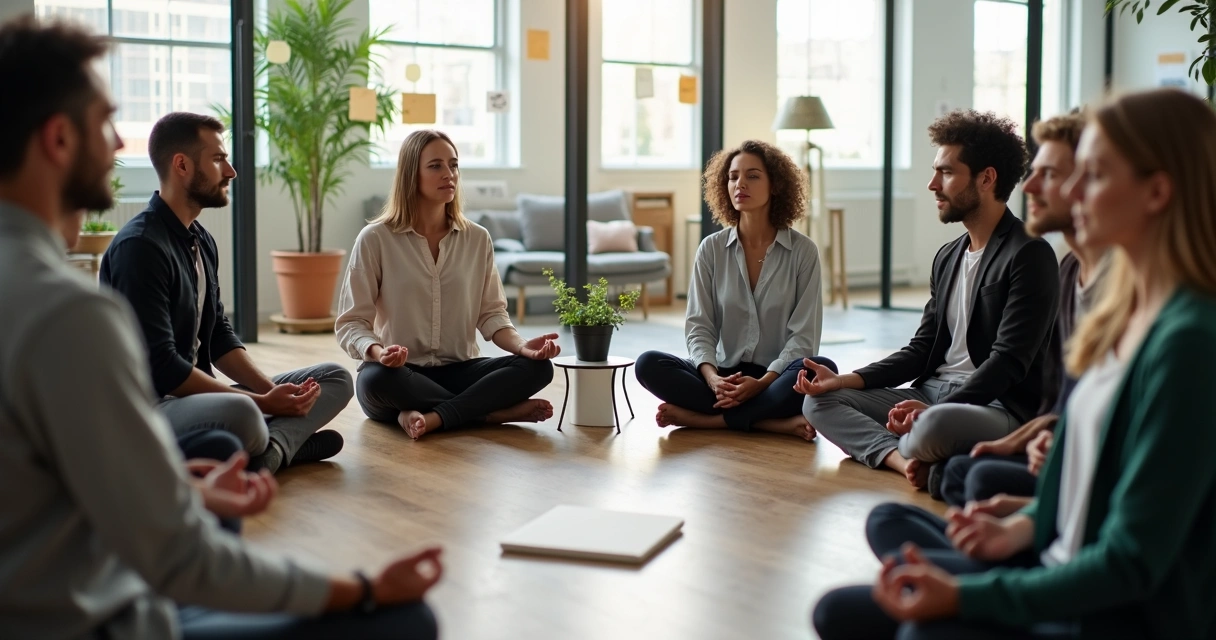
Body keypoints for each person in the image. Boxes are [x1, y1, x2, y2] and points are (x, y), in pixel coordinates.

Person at [0, 15, 440, 639]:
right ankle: (274, 445)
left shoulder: (191, 245)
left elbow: (43, 474)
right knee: (407, 618)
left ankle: (268, 444)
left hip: (80, 572)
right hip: (103, 614)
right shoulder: (70, 310)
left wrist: (181, 482)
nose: (119, 138)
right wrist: (362, 588)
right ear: (58, 140)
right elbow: (180, 556)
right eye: (104, 121)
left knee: (291, 402)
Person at [811, 87, 1216, 640]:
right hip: (1049, 555)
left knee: (920, 628)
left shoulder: (1188, 340)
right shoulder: (1117, 312)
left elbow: (1129, 560)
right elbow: (1082, 482)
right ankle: (907, 462)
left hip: (1100, 612)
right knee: (847, 595)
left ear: (1157, 191)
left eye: (1092, 174)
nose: (1068, 191)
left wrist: (969, 594)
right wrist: (1022, 524)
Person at [798, 110, 1059, 487]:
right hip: (931, 390)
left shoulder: (1029, 253)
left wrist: (938, 410)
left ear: (987, 178)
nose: (932, 184)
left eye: (947, 173)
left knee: (935, 425)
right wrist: (842, 381)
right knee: (818, 403)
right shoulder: (948, 256)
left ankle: (918, 446)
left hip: (997, 404)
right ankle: (904, 462)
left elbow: (1008, 363)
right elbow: (921, 350)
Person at [100, 111, 353, 474]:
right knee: (244, 412)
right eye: (218, 159)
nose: (231, 171)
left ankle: (273, 449)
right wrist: (262, 402)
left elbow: (218, 335)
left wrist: (275, 395)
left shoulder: (201, 239)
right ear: (182, 165)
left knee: (336, 377)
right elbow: (163, 369)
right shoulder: (140, 247)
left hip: (200, 398)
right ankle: (281, 442)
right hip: (152, 408)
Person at [336, 129, 558, 440]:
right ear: (411, 174)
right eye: (436, 166)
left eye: (453, 165)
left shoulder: (477, 239)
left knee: (538, 369)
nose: (449, 174)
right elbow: (352, 323)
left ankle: (426, 415)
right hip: (401, 374)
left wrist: (523, 347)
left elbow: (492, 315)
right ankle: (489, 415)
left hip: (459, 371)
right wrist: (378, 352)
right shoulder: (376, 239)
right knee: (375, 382)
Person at [936, 111, 1112, 505]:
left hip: (1095, 475)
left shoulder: (1037, 257)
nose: (1029, 186)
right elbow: (1065, 399)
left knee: (970, 477)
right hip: (1059, 448)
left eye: (1050, 174)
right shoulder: (1069, 269)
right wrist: (1027, 440)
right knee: (953, 479)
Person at [634, 139, 837, 440]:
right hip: (722, 378)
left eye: (753, 176)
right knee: (647, 363)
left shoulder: (803, 252)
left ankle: (708, 420)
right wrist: (714, 378)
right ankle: (769, 422)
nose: (740, 183)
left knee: (818, 368)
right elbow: (699, 326)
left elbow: (804, 336)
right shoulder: (711, 249)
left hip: (775, 377)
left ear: (776, 185)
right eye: (733, 177)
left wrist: (763, 383)